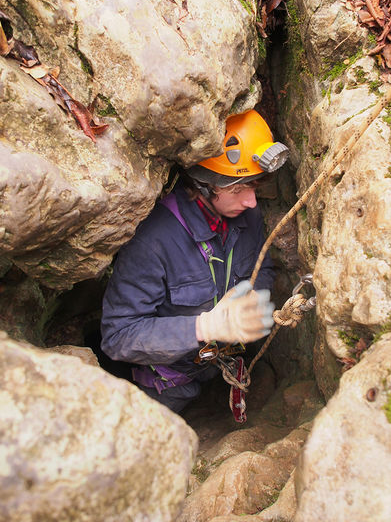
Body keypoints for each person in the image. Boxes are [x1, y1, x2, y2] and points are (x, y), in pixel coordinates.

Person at [101, 109, 289, 413]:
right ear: (203, 186)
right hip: (169, 386)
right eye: (238, 188)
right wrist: (205, 326)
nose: (251, 201)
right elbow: (118, 336)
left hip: (219, 367)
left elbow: (262, 266)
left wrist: (250, 300)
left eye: (255, 186)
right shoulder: (152, 241)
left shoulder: (246, 215)